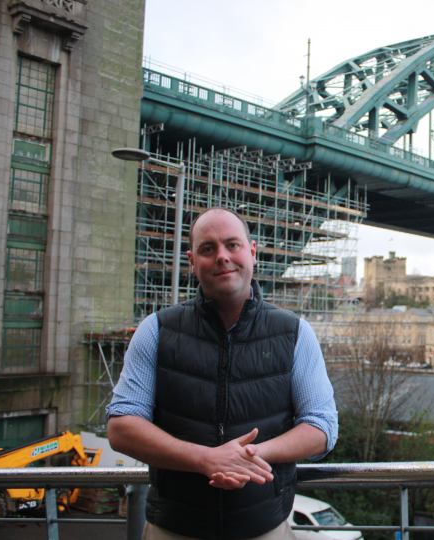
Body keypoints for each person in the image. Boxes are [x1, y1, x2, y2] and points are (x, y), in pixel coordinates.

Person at [107, 207, 337, 540]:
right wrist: (206, 459)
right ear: (191, 260)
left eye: (233, 245)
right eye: (208, 248)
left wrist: (247, 456)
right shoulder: (156, 331)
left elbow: (322, 426)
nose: (222, 257)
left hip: (264, 529)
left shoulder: (295, 333)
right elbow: (121, 426)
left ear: (252, 252)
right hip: (173, 529)